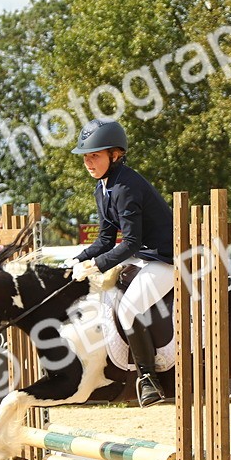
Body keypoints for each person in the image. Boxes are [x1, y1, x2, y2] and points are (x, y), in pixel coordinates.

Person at [67, 119, 174, 407]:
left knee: (128, 308)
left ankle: (149, 378)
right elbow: (105, 239)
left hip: (166, 257)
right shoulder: (102, 188)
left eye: (95, 156)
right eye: (86, 157)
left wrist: (95, 265)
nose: (89, 163)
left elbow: (131, 243)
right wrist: (77, 259)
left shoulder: (127, 186)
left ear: (115, 155)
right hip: (144, 256)